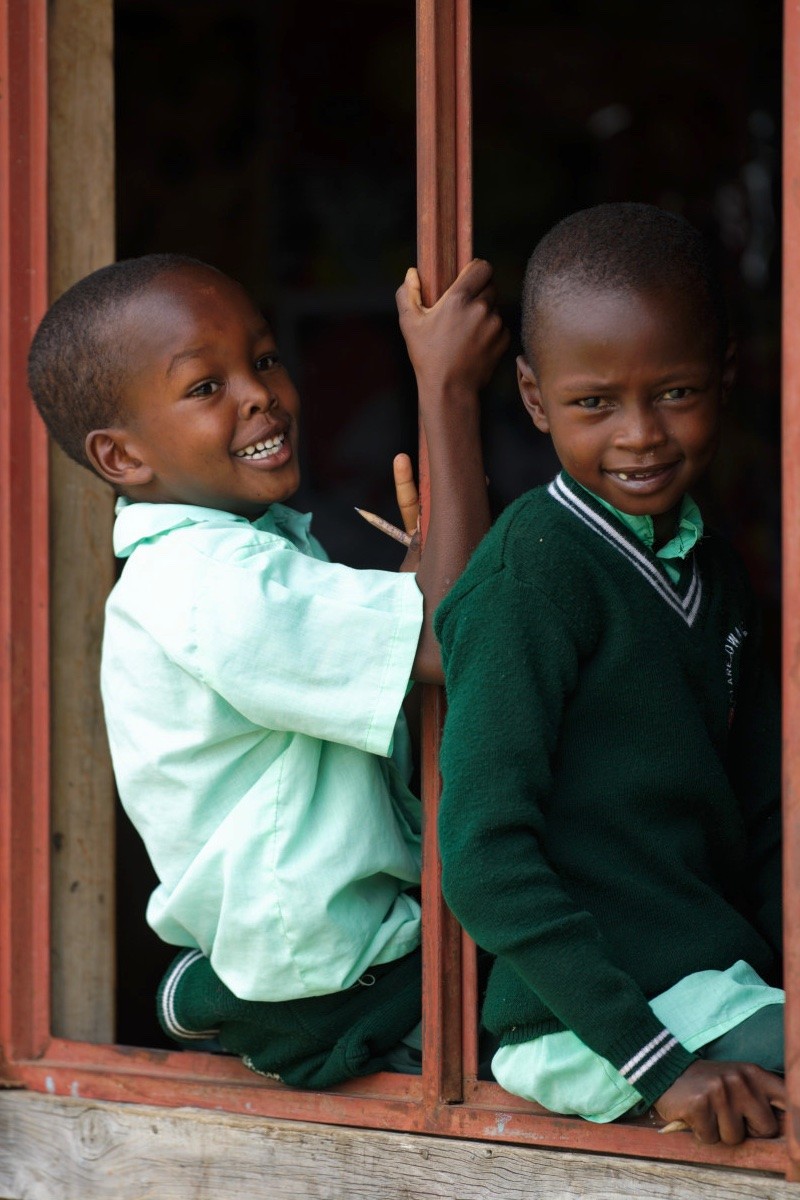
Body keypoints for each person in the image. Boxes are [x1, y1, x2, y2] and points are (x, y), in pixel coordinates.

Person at [28, 252, 508, 1088]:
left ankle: (213, 992)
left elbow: (414, 639)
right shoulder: (210, 583)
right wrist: (447, 390)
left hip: (316, 959)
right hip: (338, 983)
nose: (257, 392)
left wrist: (417, 587)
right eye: (204, 386)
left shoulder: (222, 560)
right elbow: (443, 642)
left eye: (262, 358)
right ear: (121, 457)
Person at [433, 203, 785, 1145]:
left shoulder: (716, 569)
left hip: (713, 983)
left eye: (674, 393)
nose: (640, 435)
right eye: (595, 403)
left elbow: (763, 816)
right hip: (584, 1021)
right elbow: (481, 858)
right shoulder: (532, 574)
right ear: (536, 399)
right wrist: (656, 1065)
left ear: (726, 376)